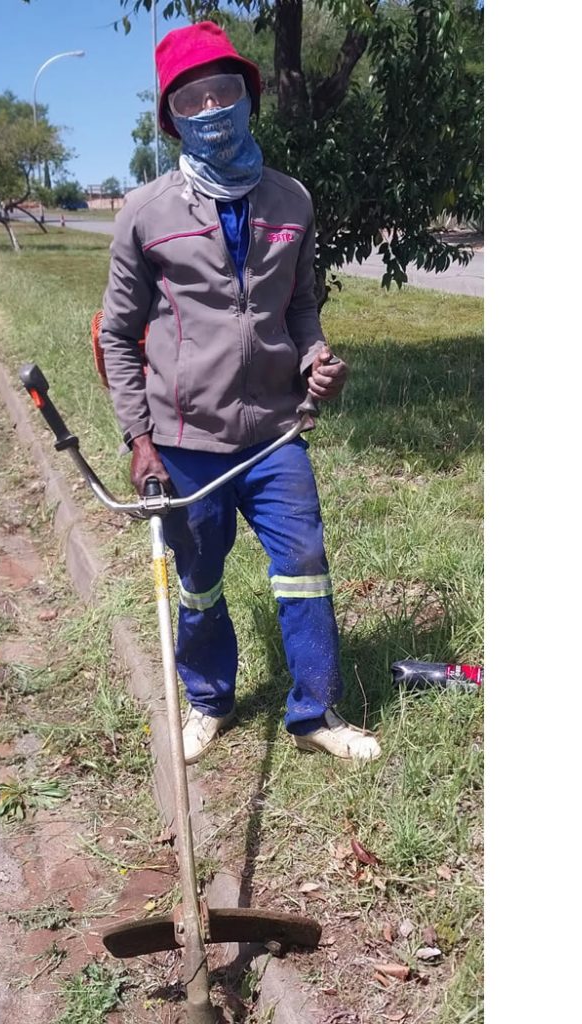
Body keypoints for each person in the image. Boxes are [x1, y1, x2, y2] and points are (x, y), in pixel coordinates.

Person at [99, 21, 380, 764]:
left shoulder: (292, 201)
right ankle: (209, 700)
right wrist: (139, 438)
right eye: (192, 100)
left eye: (224, 92)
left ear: (249, 99)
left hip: (277, 435)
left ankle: (315, 712)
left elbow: (298, 309)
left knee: (305, 563)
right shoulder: (145, 214)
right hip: (187, 441)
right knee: (197, 581)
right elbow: (117, 334)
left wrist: (316, 356)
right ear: (172, 119)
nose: (212, 109)